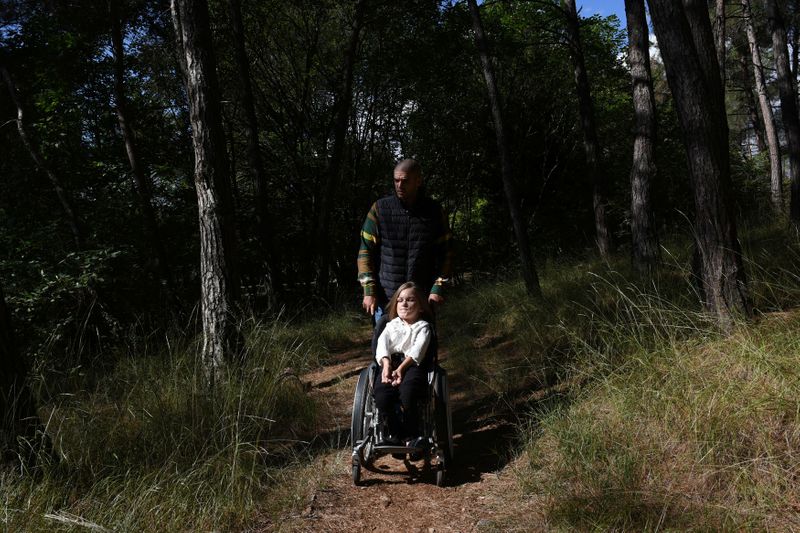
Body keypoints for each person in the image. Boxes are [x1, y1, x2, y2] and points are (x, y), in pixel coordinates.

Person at [357, 159, 453, 322]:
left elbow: (446, 253)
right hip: (386, 299)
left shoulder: (434, 211)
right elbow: (365, 252)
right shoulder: (380, 209)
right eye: (396, 180)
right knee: (384, 346)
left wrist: (438, 287)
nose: (399, 185)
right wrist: (369, 290)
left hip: (420, 300)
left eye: (405, 181)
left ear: (418, 181)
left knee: (423, 346)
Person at [372, 282, 433, 445]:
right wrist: (386, 365)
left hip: (412, 365)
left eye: (410, 300)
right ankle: (394, 433)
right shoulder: (390, 325)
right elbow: (382, 345)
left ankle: (413, 435)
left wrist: (401, 369)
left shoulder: (423, 327)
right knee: (382, 396)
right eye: (400, 300)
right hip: (389, 363)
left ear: (420, 306)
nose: (404, 304)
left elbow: (417, 351)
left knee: (408, 394)